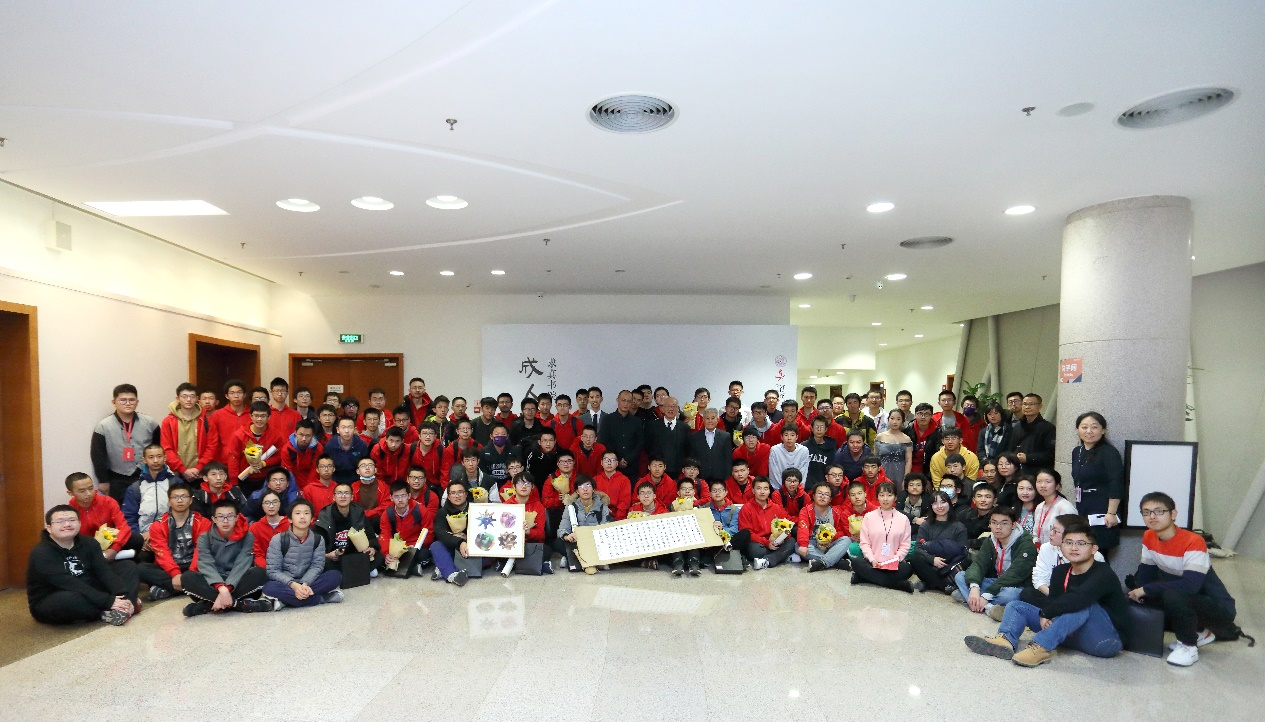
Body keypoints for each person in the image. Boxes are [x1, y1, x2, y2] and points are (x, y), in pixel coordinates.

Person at [965, 524, 1128, 668]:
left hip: (1104, 639)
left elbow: (1079, 598)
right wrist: (1048, 613)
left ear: (1094, 549)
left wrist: (1047, 612)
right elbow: (1054, 601)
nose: (1074, 548)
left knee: (1083, 605)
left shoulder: (1103, 573)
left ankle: (1041, 647)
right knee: (1016, 606)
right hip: (1069, 633)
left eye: (1081, 543)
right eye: (1068, 542)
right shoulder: (1060, 571)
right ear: (1061, 546)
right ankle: (1005, 640)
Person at [1128, 492, 1240, 667]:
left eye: (1159, 511)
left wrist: (1147, 589)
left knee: (1172, 594)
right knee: (1140, 592)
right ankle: (1200, 632)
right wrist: (1139, 591)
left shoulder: (1193, 541)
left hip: (1218, 608)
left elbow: (1190, 586)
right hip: (1186, 597)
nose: (1152, 516)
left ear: (1173, 514)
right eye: (1146, 512)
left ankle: (1188, 647)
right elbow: (1145, 575)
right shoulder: (1149, 536)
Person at [27, 505, 139, 626]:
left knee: (127, 566)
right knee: (71, 600)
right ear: (49, 528)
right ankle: (107, 611)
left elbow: (103, 571)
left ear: (79, 523)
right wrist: (108, 601)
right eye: (60, 521)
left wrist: (122, 595)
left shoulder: (89, 543)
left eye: (72, 520)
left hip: (88, 588)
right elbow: (69, 583)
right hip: (56, 595)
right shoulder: (42, 553)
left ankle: (125, 606)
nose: (67, 524)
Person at [179, 498, 272, 616]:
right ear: (214, 519)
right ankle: (237, 604)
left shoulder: (247, 536)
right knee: (187, 577)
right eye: (221, 517)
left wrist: (227, 588)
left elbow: (242, 563)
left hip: (238, 579)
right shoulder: (204, 537)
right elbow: (206, 564)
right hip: (213, 581)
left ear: (237, 518)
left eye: (230, 516)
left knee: (259, 573)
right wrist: (220, 588)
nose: (226, 521)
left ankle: (208, 604)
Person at [953, 506, 1036, 617]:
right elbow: (978, 564)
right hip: (997, 582)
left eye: (1004, 523)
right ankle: (989, 607)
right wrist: (974, 588)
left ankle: (972, 599)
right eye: (994, 523)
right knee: (960, 576)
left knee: (1009, 595)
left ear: (1013, 525)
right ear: (990, 524)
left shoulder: (1026, 544)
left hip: (1016, 585)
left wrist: (987, 594)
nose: (998, 527)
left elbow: (1015, 575)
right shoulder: (990, 540)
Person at [263, 499, 344, 608]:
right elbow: (273, 570)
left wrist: (304, 584)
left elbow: (317, 566)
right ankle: (322, 598)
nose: (302, 517)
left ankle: (287, 600)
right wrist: (294, 585)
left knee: (335, 576)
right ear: (290, 519)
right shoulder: (278, 539)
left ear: (312, 518)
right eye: (298, 513)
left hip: (309, 581)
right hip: (286, 583)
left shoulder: (318, 539)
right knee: (269, 588)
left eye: (306, 513)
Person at [139, 483, 211, 600]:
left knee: (213, 566)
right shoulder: (158, 525)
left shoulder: (203, 523)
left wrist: (191, 574)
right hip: (169, 567)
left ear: (191, 500)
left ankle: (172, 589)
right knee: (140, 569)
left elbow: (201, 551)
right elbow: (162, 553)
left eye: (184, 496)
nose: (180, 500)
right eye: (175, 497)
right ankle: (191, 587)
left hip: (194, 566)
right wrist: (175, 573)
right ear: (169, 501)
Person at [91, 383, 161, 501]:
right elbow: (98, 455)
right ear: (114, 402)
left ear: (137, 402)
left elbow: (159, 448)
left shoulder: (150, 423)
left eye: (131, 400)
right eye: (123, 400)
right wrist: (103, 480)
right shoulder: (103, 426)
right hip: (117, 478)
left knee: (147, 506)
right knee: (120, 509)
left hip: (145, 474)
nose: (128, 403)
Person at [1070, 411, 1124, 552]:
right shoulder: (1077, 451)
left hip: (1102, 508)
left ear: (1103, 430)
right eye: (1084, 427)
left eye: (1094, 427)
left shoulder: (1108, 452)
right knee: (1083, 550)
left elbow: (1116, 482)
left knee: (1098, 551)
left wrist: (1111, 513)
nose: (1089, 431)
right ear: (1078, 429)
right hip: (1083, 506)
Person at [851, 481, 914, 592]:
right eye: (882, 495)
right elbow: (864, 543)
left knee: (908, 569)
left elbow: (905, 545)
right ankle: (898, 585)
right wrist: (872, 560)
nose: (885, 499)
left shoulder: (903, 519)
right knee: (856, 562)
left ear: (895, 498)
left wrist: (894, 560)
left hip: (894, 563)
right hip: (872, 562)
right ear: (877, 497)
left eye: (889, 495)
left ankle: (863, 578)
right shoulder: (869, 517)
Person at [1030, 514, 1105, 603]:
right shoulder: (1046, 548)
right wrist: (1057, 598)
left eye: (1055, 531)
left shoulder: (1095, 557)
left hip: (1081, 601)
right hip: (1053, 595)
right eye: (1051, 529)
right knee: (1027, 594)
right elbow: (1038, 579)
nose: (1051, 533)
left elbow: (1093, 591)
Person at [313, 482, 380, 574]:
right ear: (334, 497)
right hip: (334, 556)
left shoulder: (358, 512)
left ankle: (351, 570)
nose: (343, 496)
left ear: (352, 497)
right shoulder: (325, 515)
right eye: (339, 493)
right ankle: (359, 569)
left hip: (354, 553)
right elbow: (316, 544)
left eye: (346, 493)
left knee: (379, 556)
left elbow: (371, 535)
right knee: (323, 563)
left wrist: (372, 548)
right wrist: (327, 555)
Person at [909, 491, 969, 594]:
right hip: (931, 563)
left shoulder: (959, 526)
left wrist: (948, 560)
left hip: (950, 565)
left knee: (966, 562)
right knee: (915, 558)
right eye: (935, 503)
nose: (940, 506)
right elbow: (918, 547)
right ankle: (944, 586)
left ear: (949, 504)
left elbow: (963, 551)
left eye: (943, 502)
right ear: (931, 506)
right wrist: (932, 559)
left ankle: (929, 583)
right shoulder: (926, 525)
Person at [122, 443, 176, 553]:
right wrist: (139, 539)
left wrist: (154, 532)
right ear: (144, 460)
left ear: (165, 458)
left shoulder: (175, 484)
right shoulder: (135, 488)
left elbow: (180, 513)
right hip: (143, 538)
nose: (155, 461)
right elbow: (129, 517)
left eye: (159, 456)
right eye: (151, 457)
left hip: (170, 535)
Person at [65, 471, 131, 560]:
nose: (88, 493)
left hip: (110, 543)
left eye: (91, 488)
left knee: (135, 539)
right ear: (70, 493)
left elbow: (123, 526)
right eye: (82, 491)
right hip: (85, 550)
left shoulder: (108, 502)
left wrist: (114, 549)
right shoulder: (69, 512)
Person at [161, 382, 219, 484]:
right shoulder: (168, 421)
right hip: (176, 473)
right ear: (178, 399)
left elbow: (212, 446)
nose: (188, 400)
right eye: (184, 396)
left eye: (192, 396)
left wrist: (199, 468)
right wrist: (182, 469)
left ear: (197, 399)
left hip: (201, 473)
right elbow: (166, 448)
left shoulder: (206, 420)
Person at [732, 477, 795, 570]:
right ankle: (781, 556)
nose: (762, 492)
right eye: (759, 488)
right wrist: (766, 542)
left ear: (769, 491)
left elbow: (787, 527)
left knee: (792, 541)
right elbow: (748, 533)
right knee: (755, 551)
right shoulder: (746, 508)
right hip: (758, 543)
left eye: (765, 488)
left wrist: (781, 538)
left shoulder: (776, 508)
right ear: (753, 491)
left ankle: (767, 560)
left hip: (776, 542)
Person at [555, 476, 613, 574]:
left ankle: (573, 560)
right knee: (557, 543)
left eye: (588, 485)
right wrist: (567, 536)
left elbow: (605, 528)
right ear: (577, 491)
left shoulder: (602, 507)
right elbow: (563, 528)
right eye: (581, 486)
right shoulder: (571, 507)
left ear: (593, 489)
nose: (585, 489)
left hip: (595, 541)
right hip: (576, 541)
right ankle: (581, 560)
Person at [379, 481, 435, 578]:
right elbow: (385, 535)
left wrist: (415, 546)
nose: (400, 500)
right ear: (391, 498)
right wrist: (387, 553)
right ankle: (412, 567)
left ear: (409, 496)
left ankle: (405, 566)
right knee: (379, 556)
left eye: (403, 496)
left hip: (415, 546)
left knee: (425, 555)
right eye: (396, 497)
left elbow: (429, 533)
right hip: (397, 548)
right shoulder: (387, 514)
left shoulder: (420, 510)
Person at [797, 482, 852, 572]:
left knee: (847, 540)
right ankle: (836, 562)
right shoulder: (806, 511)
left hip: (830, 544)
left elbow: (840, 531)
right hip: (813, 544)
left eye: (826, 494)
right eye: (820, 493)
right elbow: (803, 529)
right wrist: (803, 544)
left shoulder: (836, 512)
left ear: (830, 499)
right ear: (813, 496)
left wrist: (831, 539)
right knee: (798, 546)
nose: (822, 497)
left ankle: (822, 563)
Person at [700, 480, 741, 575]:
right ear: (710, 493)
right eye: (714, 491)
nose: (717, 493)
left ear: (725, 492)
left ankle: (713, 554)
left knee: (744, 534)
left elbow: (734, 529)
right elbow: (702, 527)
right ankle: (718, 552)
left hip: (728, 538)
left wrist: (722, 530)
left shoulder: (734, 509)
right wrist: (713, 529)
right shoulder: (704, 508)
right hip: (711, 539)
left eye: (720, 490)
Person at [599, 390, 644, 474]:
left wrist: (628, 459)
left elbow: (640, 443)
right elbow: (603, 441)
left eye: (629, 401)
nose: (626, 404)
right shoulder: (607, 419)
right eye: (623, 400)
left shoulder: (637, 421)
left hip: (631, 465)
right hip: (611, 465)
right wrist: (617, 459)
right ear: (617, 400)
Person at [689, 408, 736, 484]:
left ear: (717, 420)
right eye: (707, 418)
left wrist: (727, 478)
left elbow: (728, 459)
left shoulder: (725, 436)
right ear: (703, 420)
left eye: (713, 418)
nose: (710, 421)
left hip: (720, 478)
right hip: (701, 478)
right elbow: (693, 459)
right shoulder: (695, 437)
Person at [1012, 393, 1056, 473]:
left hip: (1038, 472)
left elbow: (1051, 454)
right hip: (1019, 472)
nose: (1027, 407)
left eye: (1031, 404)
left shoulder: (1048, 428)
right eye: (1024, 404)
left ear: (1040, 406)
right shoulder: (1017, 427)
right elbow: (1011, 448)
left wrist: (1028, 458)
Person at [1033, 469, 1076, 545]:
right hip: (1041, 550)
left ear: (1057, 486)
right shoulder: (1039, 507)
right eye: (1039, 481)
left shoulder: (1065, 507)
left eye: (1047, 482)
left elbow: (1072, 535)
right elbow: (1036, 534)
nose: (1042, 485)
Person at [248, 489, 290, 567]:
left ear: (280, 503)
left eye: (275, 502)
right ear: (262, 505)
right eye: (267, 503)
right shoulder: (254, 528)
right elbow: (257, 555)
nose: (271, 506)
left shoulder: (291, 524)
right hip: (266, 568)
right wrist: (271, 568)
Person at [325, 417, 369, 484]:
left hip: (357, 481)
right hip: (335, 481)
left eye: (350, 427)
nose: (346, 431)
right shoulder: (330, 446)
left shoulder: (361, 445)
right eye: (343, 427)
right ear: (338, 430)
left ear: (354, 430)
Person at [281, 419, 324, 489]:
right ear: (295, 433)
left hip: (311, 480)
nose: (304, 439)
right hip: (293, 480)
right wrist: (294, 489)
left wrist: (308, 489)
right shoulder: (287, 449)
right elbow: (287, 471)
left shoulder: (318, 448)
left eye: (308, 435)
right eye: (301, 434)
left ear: (312, 435)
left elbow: (315, 470)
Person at [873, 409, 913, 483]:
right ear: (888, 419)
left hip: (900, 473)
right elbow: (875, 458)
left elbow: (908, 461)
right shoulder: (880, 437)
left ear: (902, 421)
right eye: (892, 418)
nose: (895, 422)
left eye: (898, 419)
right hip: (882, 473)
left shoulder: (906, 439)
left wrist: (905, 479)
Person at [767, 425, 810, 490]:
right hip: (779, 489)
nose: (789, 438)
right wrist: (781, 490)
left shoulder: (803, 450)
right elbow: (774, 474)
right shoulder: (775, 450)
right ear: (782, 437)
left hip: (797, 489)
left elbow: (803, 473)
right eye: (786, 435)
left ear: (796, 437)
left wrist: (797, 489)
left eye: (792, 435)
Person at [802, 416, 838, 488]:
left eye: (822, 427)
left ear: (826, 429)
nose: (819, 429)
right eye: (816, 427)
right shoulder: (804, 446)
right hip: (806, 487)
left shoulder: (831, 448)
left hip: (824, 487)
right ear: (812, 429)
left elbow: (832, 468)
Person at [595, 450, 632, 520]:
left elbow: (625, 502)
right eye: (606, 460)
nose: (609, 463)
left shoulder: (624, 480)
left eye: (612, 460)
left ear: (617, 463)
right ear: (601, 463)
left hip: (617, 517)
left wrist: (617, 518)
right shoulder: (595, 480)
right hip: (598, 515)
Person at [959, 484, 998, 548]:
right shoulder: (964, 514)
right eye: (979, 496)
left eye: (988, 497)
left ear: (994, 501)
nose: (983, 500)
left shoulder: (999, 518)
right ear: (974, 500)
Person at [905, 402, 938, 475]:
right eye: (920, 413)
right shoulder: (907, 430)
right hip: (909, 466)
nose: (923, 417)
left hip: (929, 468)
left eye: (927, 414)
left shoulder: (938, 432)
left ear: (931, 416)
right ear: (915, 415)